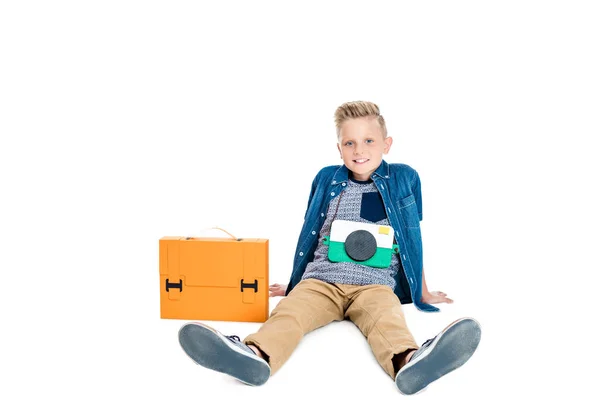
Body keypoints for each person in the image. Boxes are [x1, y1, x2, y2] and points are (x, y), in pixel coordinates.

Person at [178, 101, 481, 395]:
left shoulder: (404, 178)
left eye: (369, 141)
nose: (359, 150)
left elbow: (412, 239)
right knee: (290, 313)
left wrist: (423, 291)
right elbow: (311, 236)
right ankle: (254, 355)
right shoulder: (326, 178)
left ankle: (410, 362)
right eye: (349, 143)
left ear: (386, 144)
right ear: (339, 148)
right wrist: (295, 284)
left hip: (375, 285)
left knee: (387, 320)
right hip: (321, 281)